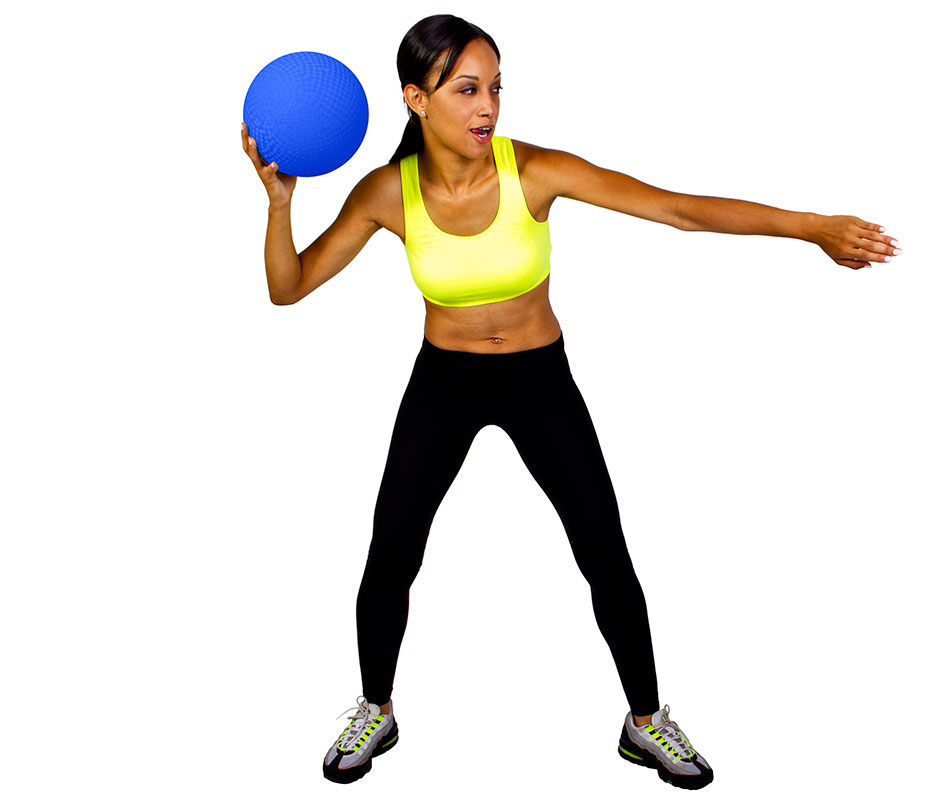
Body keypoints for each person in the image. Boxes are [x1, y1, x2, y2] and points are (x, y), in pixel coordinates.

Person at [241, 13, 900, 791]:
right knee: (393, 551)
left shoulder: (535, 171)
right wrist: (279, 203)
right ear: (416, 99)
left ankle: (645, 721)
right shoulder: (387, 193)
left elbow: (677, 209)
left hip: (538, 381)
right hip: (444, 382)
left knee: (603, 550)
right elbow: (287, 289)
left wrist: (812, 228)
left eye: (495, 88)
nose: (488, 107)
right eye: (466, 90)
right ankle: (375, 708)